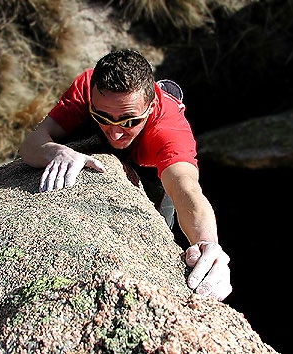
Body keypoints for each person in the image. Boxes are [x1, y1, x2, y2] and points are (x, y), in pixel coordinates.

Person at [19, 49, 232, 301]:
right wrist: (57, 152)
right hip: (128, 144)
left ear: (151, 106)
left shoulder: (168, 129)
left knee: (164, 217)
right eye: (102, 117)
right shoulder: (87, 87)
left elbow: (184, 187)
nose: (116, 133)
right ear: (91, 100)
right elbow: (31, 144)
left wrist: (209, 243)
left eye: (129, 120)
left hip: (152, 168)